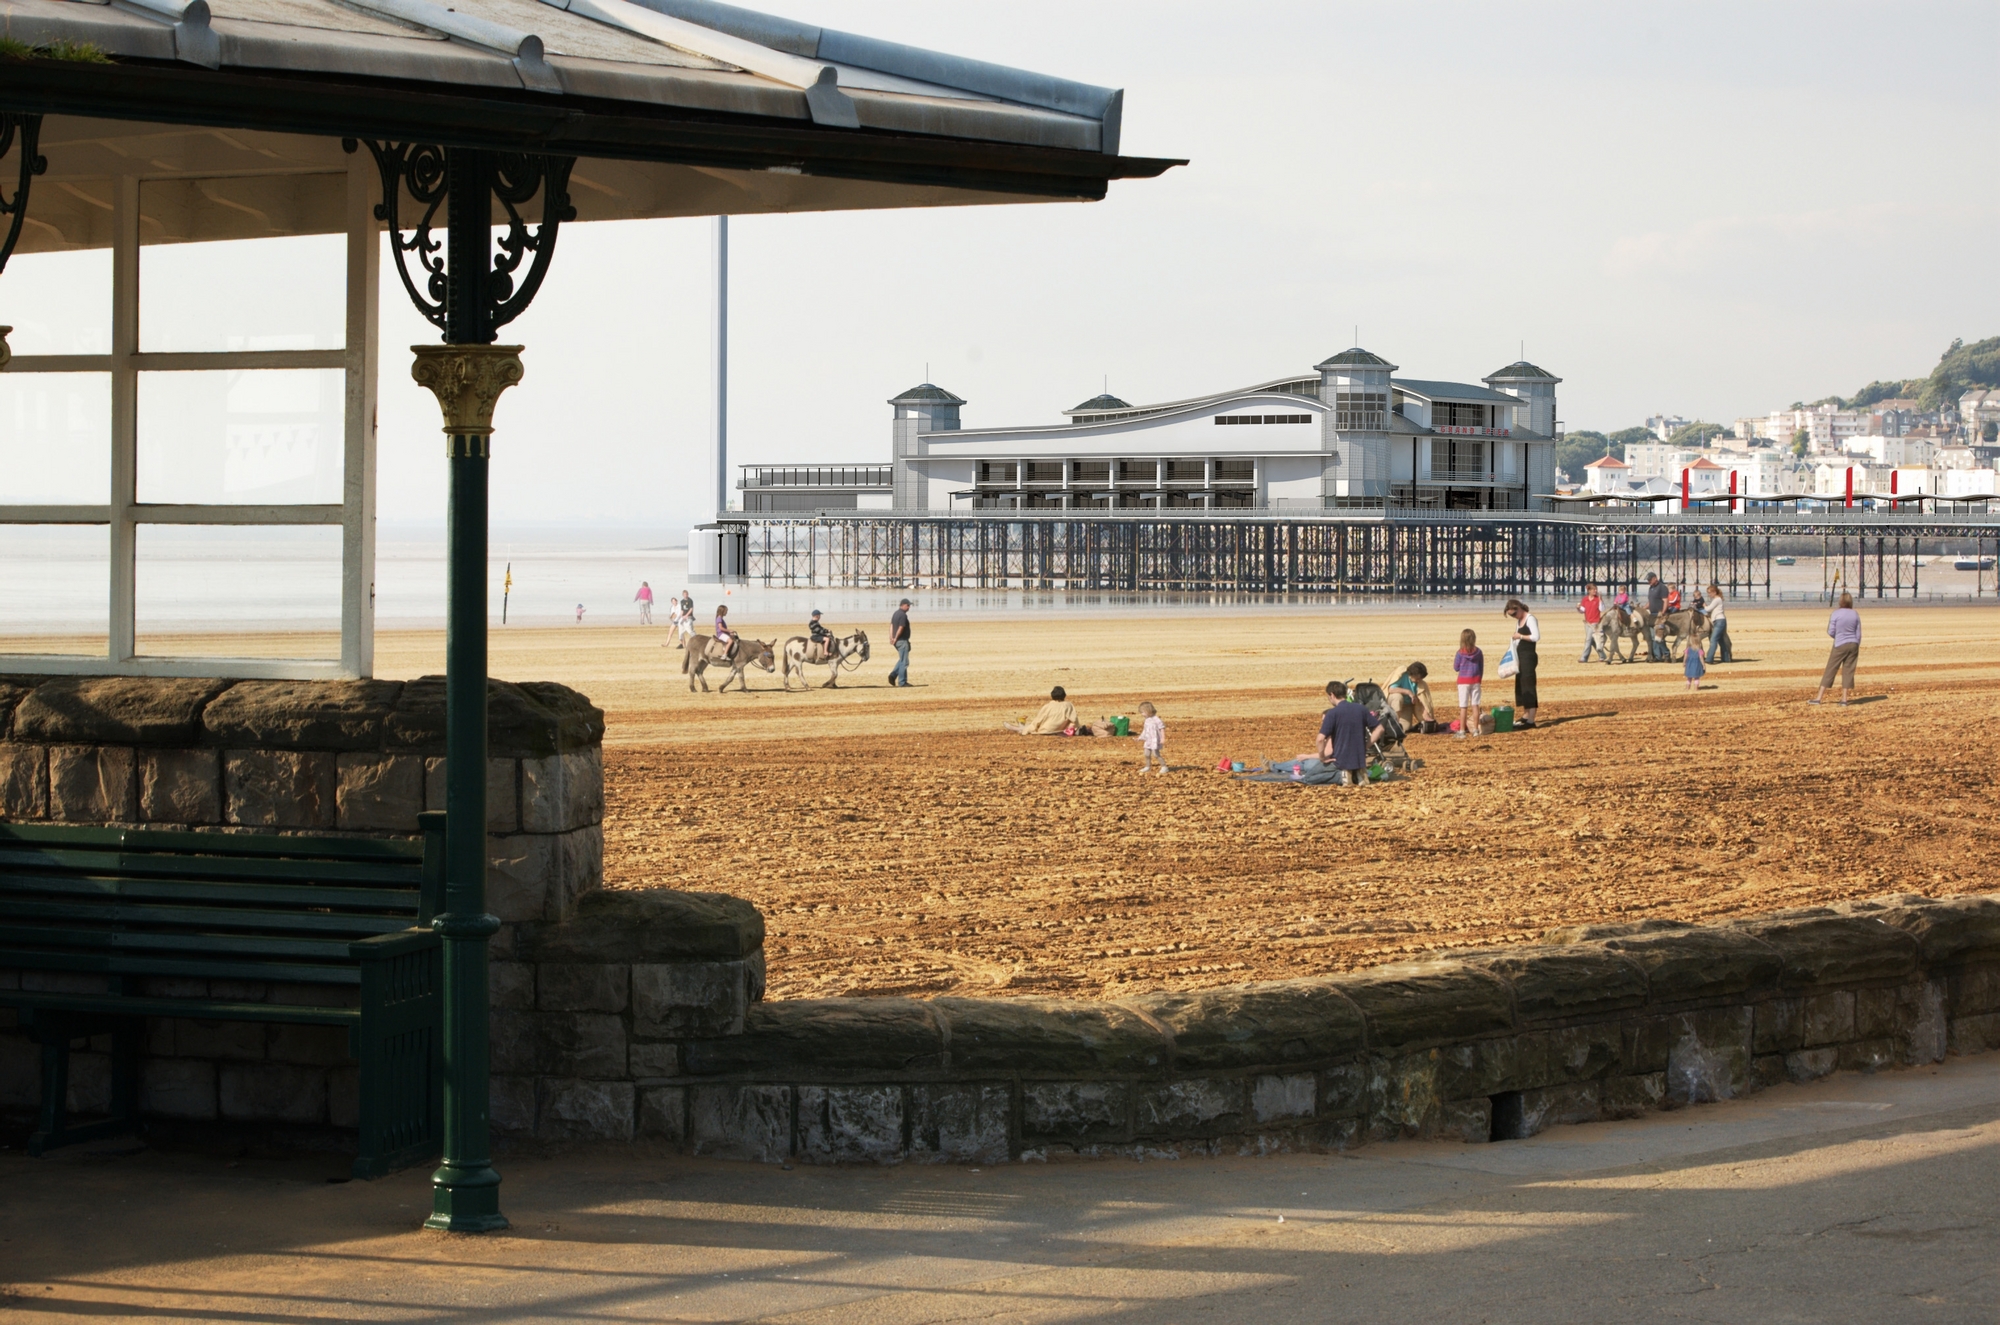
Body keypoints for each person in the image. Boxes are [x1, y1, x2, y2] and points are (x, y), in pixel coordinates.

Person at [1318, 681, 1379, 786]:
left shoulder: (1332, 713)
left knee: (1310, 776)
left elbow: (1320, 739)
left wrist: (1322, 757)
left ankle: (1345, 776)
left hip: (1340, 761)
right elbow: (1380, 728)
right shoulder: (1361, 709)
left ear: (1332, 695)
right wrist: (1367, 745)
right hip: (1359, 759)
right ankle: (1358, 774)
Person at [1812, 592, 1861, 705]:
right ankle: (1844, 699)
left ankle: (1819, 698)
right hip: (1853, 644)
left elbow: (1830, 631)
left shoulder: (1836, 614)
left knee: (1831, 669)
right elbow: (1858, 633)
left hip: (1840, 644)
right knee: (1848, 671)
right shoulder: (1855, 614)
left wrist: (1838, 637)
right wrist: (1856, 644)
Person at [1504, 598, 1540, 729]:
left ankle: (1531, 720)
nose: (1513, 617)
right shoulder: (1520, 620)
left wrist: (1520, 636)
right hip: (1520, 656)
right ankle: (1525, 715)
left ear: (1519, 608)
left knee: (1529, 685)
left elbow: (1536, 637)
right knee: (1521, 686)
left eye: (1514, 614)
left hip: (1529, 656)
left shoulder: (1530, 619)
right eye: (1511, 616)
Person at [1005, 686, 1078, 735]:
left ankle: (1018, 727)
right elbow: (1074, 720)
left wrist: (1027, 730)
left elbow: (1038, 721)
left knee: (1029, 727)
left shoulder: (1047, 706)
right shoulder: (1069, 705)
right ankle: (1021, 726)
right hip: (1060, 730)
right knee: (1030, 727)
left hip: (1045, 731)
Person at [1387, 661, 1436, 732]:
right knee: (1397, 697)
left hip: (1407, 705)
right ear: (1411, 674)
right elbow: (1391, 689)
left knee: (1405, 728)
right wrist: (1408, 692)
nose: (1419, 680)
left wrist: (1426, 715)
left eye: (1421, 678)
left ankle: (1396, 726)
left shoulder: (1421, 684)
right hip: (1393, 704)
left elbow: (1424, 701)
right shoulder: (1401, 676)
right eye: (1417, 678)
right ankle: (1394, 722)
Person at [1453, 629, 1483, 741]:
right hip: (1475, 680)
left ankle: (1462, 731)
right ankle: (1475, 730)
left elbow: (1456, 667)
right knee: (1475, 705)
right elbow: (1481, 668)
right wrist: (1479, 679)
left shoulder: (1460, 653)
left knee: (1463, 706)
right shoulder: (1478, 652)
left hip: (1463, 681)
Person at [887, 598, 912, 687]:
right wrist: (896, 638)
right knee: (904, 662)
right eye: (908, 605)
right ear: (903, 605)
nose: (909, 607)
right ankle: (902, 681)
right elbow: (901, 627)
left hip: (897, 640)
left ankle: (893, 675)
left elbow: (891, 626)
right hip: (901, 640)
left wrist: (891, 638)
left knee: (902, 660)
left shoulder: (896, 613)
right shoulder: (902, 615)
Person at [1704, 584, 1732, 663]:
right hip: (1719, 621)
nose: (1709, 595)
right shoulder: (1717, 599)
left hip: (1719, 621)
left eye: (1710, 593)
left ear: (1714, 592)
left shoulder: (1717, 599)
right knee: (1721, 641)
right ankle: (1726, 659)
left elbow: (1708, 609)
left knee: (1713, 640)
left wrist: (1704, 606)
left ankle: (1709, 659)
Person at [1577, 584, 1605, 662]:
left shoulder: (1597, 599)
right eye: (1594, 589)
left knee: (1588, 639)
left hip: (1595, 623)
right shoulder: (1585, 599)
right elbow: (1583, 610)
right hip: (1587, 623)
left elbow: (1602, 609)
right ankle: (1602, 655)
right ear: (1589, 591)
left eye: (1596, 589)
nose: (1595, 591)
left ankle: (1584, 657)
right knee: (1592, 641)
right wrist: (1578, 608)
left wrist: (1601, 599)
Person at [1136, 701, 1166, 774]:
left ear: (1147, 710)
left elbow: (1162, 728)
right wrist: (1140, 737)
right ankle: (1147, 766)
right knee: (1146, 754)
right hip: (1148, 740)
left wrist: (1163, 738)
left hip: (1155, 740)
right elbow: (1145, 730)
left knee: (1156, 754)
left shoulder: (1156, 719)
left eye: (1143, 712)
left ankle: (1164, 767)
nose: (1142, 714)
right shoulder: (1146, 720)